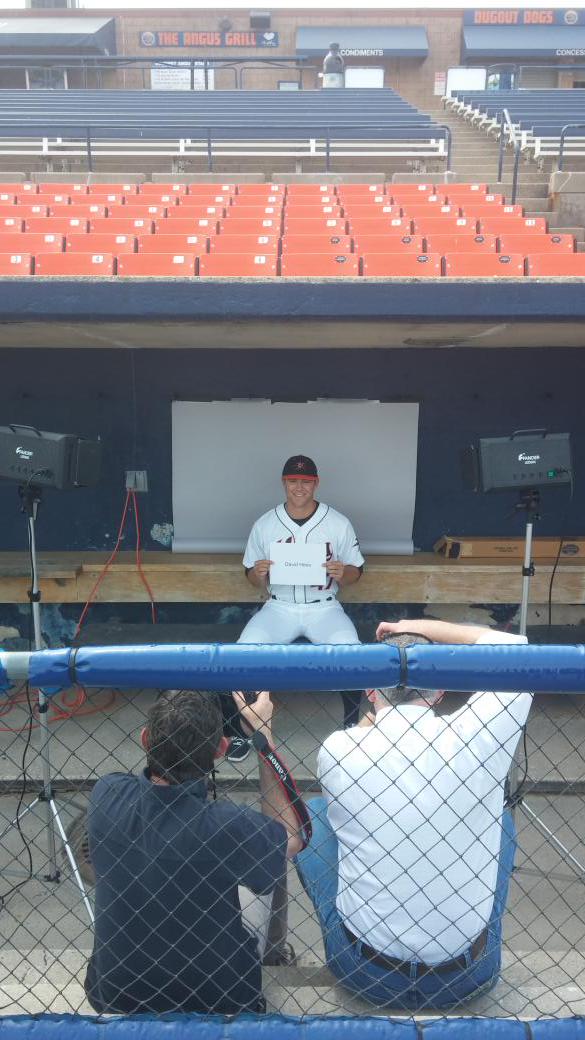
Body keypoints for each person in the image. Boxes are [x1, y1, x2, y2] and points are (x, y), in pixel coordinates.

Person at [295, 618, 531, 1010]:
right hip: (467, 973)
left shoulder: (339, 749)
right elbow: (514, 647)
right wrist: (411, 626)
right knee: (499, 820)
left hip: (366, 973)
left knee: (316, 814)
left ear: (370, 691)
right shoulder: (478, 733)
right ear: (440, 691)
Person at [84, 688, 306, 1015]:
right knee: (269, 848)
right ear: (222, 749)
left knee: (258, 847)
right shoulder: (228, 827)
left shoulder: (108, 793)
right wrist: (263, 737)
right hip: (220, 1001)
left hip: (115, 994)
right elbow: (290, 836)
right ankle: (274, 958)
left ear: (145, 738)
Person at [223, 454, 365, 762]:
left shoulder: (337, 522)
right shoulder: (265, 523)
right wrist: (257, 573)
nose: (299, 487)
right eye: (292, 481)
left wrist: (344, 573)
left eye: (306, 481)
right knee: (240, 655)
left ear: (316, 484)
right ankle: (239, 731)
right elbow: (250, 578)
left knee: (352, 655)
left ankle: (352, 725)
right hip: (279, 607)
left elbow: (357, 572)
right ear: (283, 483)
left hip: (324, 608)